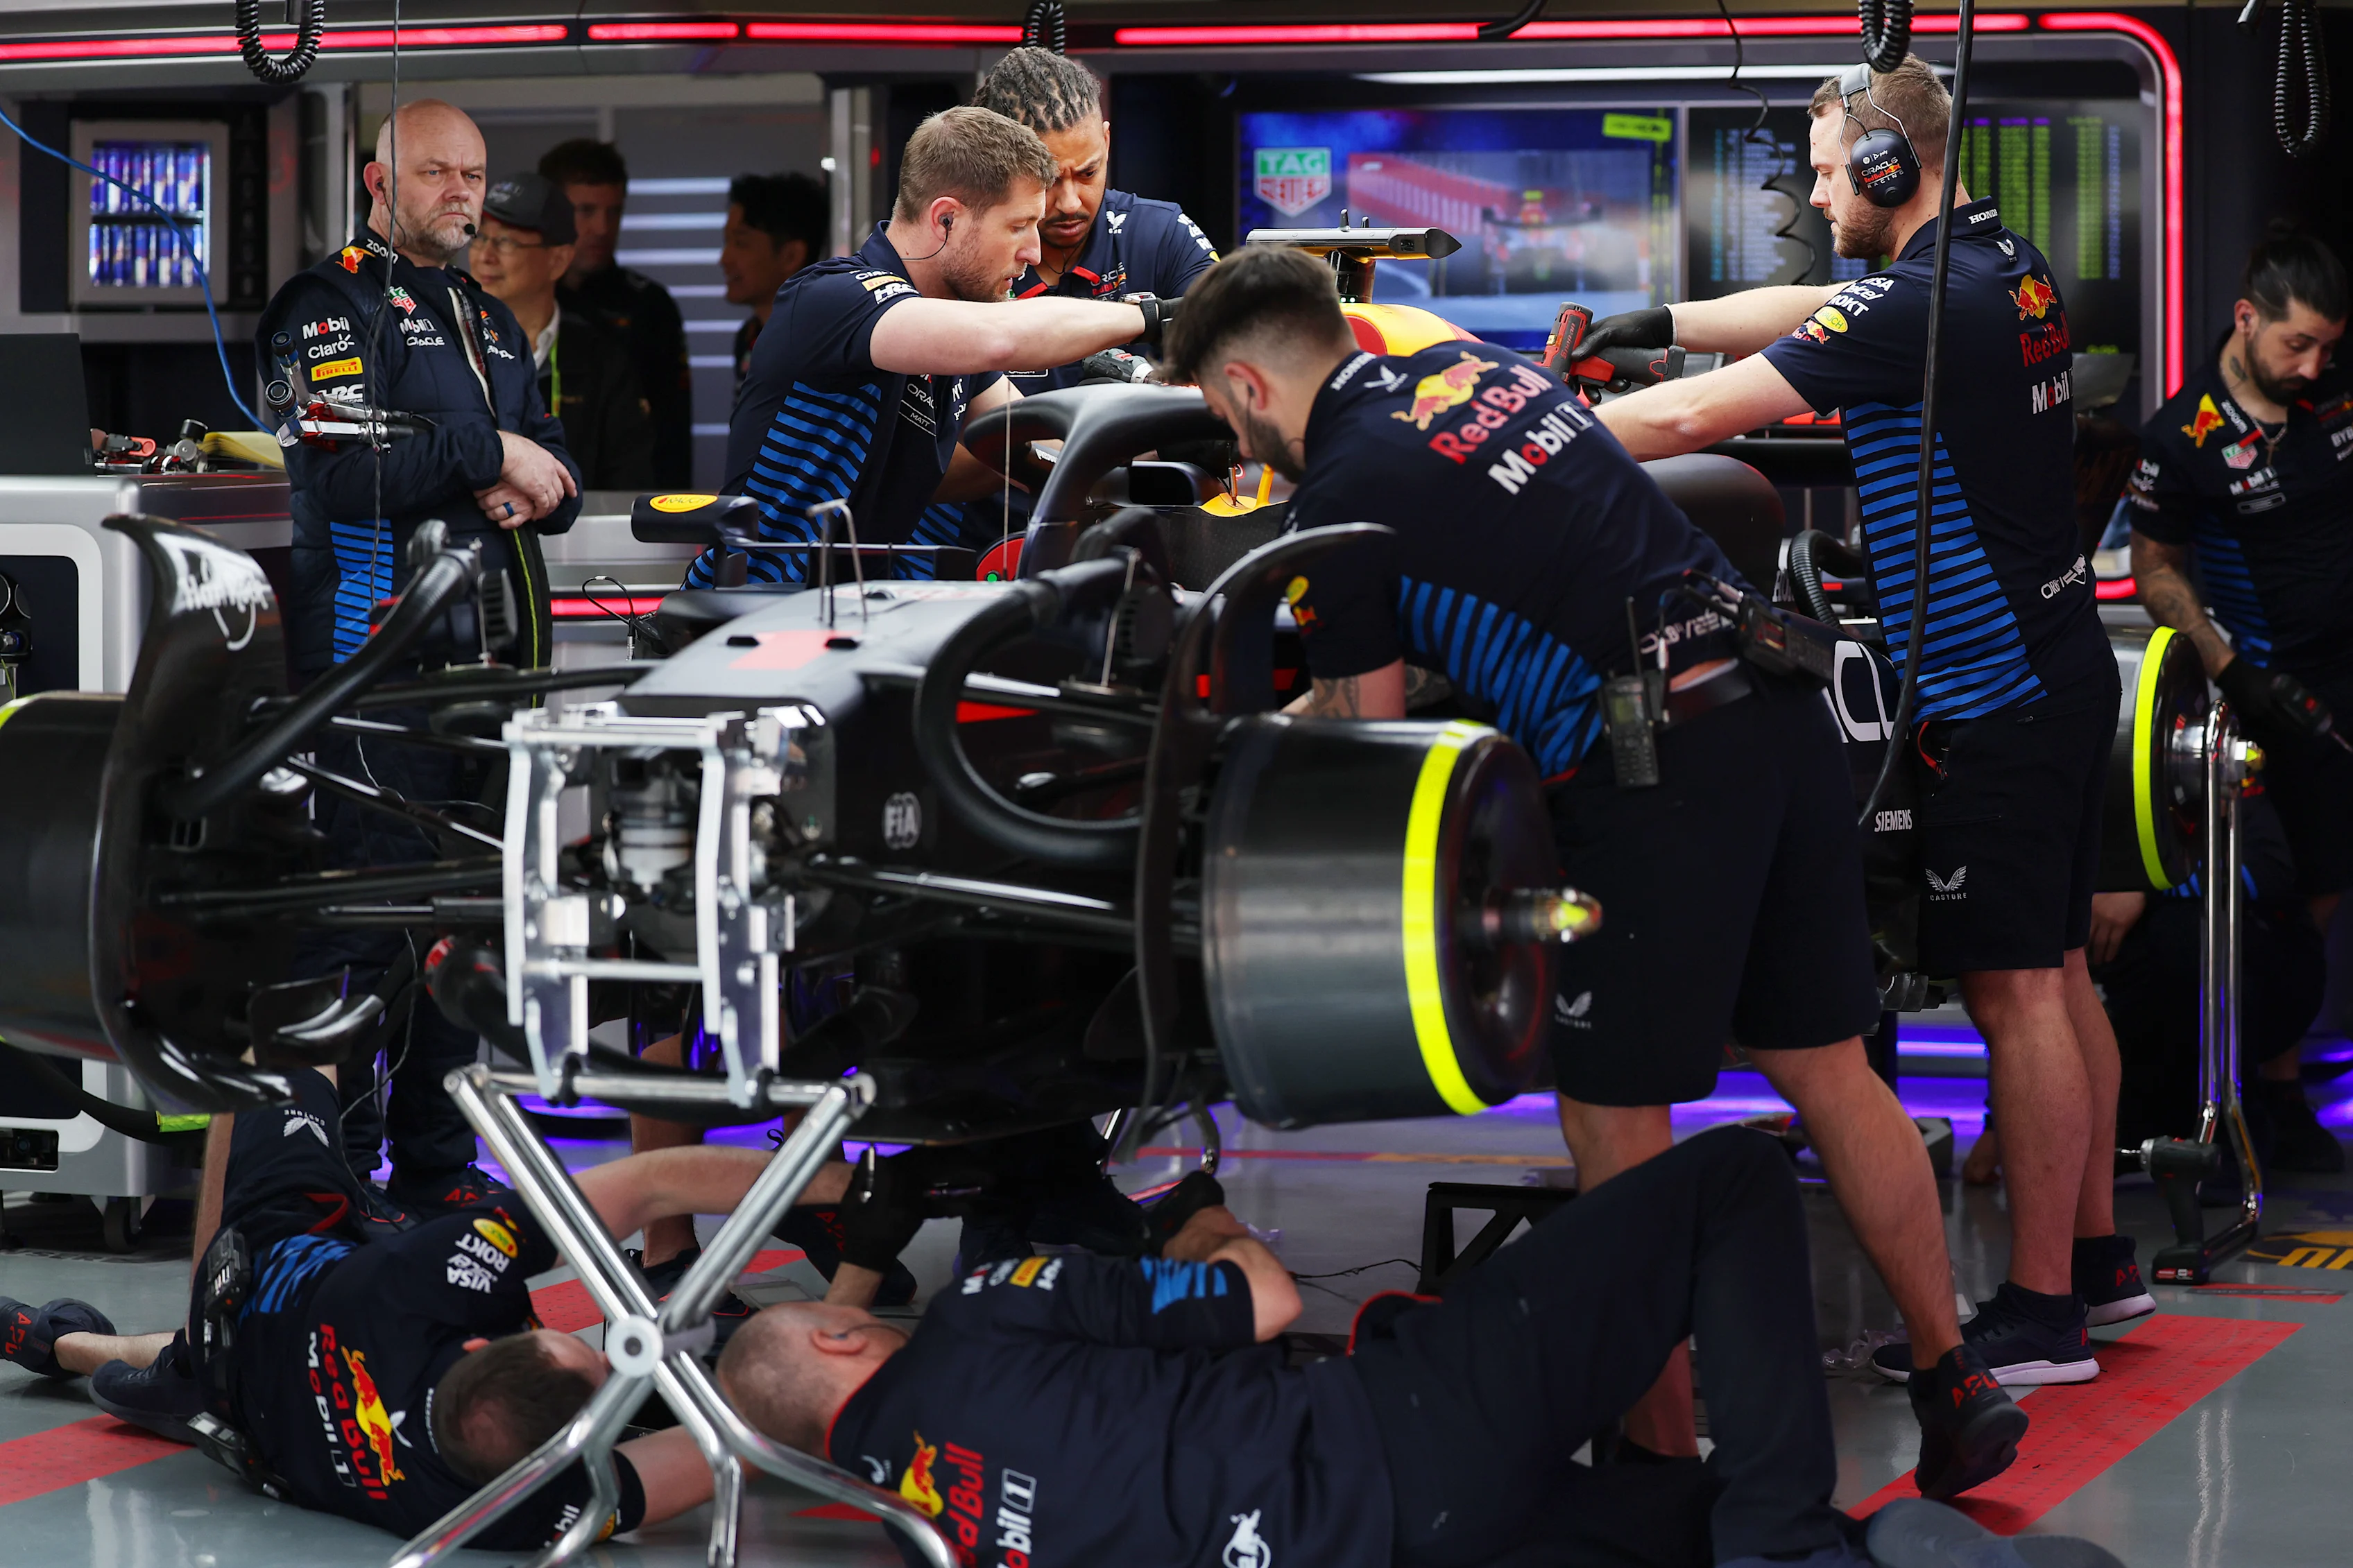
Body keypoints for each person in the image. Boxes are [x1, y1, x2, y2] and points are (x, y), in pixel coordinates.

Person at [1158, 243, 2021, 1499]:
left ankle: (1655, 1468)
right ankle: (1954, 1379)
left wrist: (1228, 759)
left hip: (1654, 757)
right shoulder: (1470, 372)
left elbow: (1370, 735)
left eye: (1216, 413)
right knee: (1832, 1069)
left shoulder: (1336, 502)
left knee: (1615, 1120)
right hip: (1775, 704)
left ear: (1242, 386)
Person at [1586, 56, 2144, 1390]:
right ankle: (2101, 1263)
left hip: (1994, 691)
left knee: (2014, 994)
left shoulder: (1923, 304)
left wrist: (1503, 436)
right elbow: (1822, 304)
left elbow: (1690, 418)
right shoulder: (1990, 262)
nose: (1820, 190)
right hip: (2058, 668)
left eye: (1835, 169)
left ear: (1891, 168)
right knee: (2058, 975)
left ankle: (2042, 1314)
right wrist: (1657, 312)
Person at [718, 1132, 2121, 1568]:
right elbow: (1261, 1301)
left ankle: (1802, 1542)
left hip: (1389, 1544)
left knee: (1668, 1526)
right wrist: (1183, 1190)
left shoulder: (923, 1528)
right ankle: (1789, 1547)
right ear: (844, 1328)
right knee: (1737, 1185)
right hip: (1389, 1439)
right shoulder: (976, 1308)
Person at [0, 1064, 851, 1549]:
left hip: (262, 1276)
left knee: (284, 1059)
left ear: (477, 1338)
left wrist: (849, 1191)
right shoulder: (503, 1511)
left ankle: (80, 1342)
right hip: (252, 1409)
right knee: (167, 1372)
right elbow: (747, 1429)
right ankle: (58, 1342)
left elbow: (646, 1181)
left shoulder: (417, 1289)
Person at [257, 98, 581, 1219]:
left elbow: (561, 472)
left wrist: (539, 471)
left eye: (476, 174)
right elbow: (344, 472)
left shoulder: (490, 323)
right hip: (370, 680)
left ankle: (440, 1171)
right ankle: (330, 1179)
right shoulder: (328, 302)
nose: (463, 193)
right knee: (365, 931)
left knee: (465, 931)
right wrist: (488, 450)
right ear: (377, 181)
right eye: (438, 172)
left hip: (491, 687)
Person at [681, 105, 1177, 590]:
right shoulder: (834, 297)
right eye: (1018, 226)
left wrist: (1175, 435)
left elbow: (1044, 449)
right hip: (751, 608)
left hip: (849, 616)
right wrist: (1159, 316)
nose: (1034, 253)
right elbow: (1000, 337)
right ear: (946, 220)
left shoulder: (955, 351)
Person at [2125, 226, 2352, 1161]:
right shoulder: (2184, 438)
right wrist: (2234, 672)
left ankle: (2280, 1078)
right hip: (2269, 687)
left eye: (2328, 346)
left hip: (2349, 669)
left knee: (2336, 881)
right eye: (2297, 343)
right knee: (2287, 895)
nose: (2313, 362)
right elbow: (2155, 571)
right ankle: (2264, 1087)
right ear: (2246, 319)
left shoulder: (2334, 396)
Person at [972, 47, 1220, 392]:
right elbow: (935, 437)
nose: (1071, 203)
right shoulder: (965, 258)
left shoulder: (1161, 235)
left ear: (1106, 141)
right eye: (1049, 180)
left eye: (1089, 173)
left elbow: (1235, 363)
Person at [475, 172, 657, 492]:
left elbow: (629, 486)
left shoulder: (603, 362)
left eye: (505, 241)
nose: (485, 256)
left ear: (558, 260)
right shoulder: (446, 343)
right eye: (479, 237)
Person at [541, 138, 695, 488]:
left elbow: (674, 427)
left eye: (614, 212)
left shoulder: (650, 306)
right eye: (586, 211)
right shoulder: (518, 297)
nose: (602, 228)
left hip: (633, 498)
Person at [721, 172, 830, 390]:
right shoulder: (751, 335)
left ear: (791, 256)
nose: (724, 260)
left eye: (741, 244)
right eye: (727, 242)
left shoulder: (819, 344)